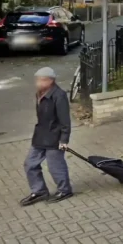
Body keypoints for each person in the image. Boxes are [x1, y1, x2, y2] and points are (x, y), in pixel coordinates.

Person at [20, 67, 73, 205]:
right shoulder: (40, 94)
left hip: (55, 136)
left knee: (55, 165)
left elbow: (65, 120)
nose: (38, 82)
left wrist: (64, 139)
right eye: (37, 80)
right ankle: (39, 191)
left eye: (41, 80)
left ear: (50, 80)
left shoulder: (59, 95)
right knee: (30, 164)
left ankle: (65, 190)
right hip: (41, 135)